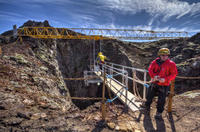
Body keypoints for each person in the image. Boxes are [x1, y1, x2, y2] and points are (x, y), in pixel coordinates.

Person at [143, 48, 178, 118]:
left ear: (168, 56)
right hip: (154, 83)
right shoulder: (155, 62)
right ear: (160, 55)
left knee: (161, 100)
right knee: (149, 96)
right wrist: (153, 76)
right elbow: (150, 69)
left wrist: (165, 79)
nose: (164, 56)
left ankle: (159, 112)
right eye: (162, 55)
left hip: (164, 85)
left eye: (166, 55)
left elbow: (174, 74)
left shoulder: (171, 64)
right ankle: (147, 107)